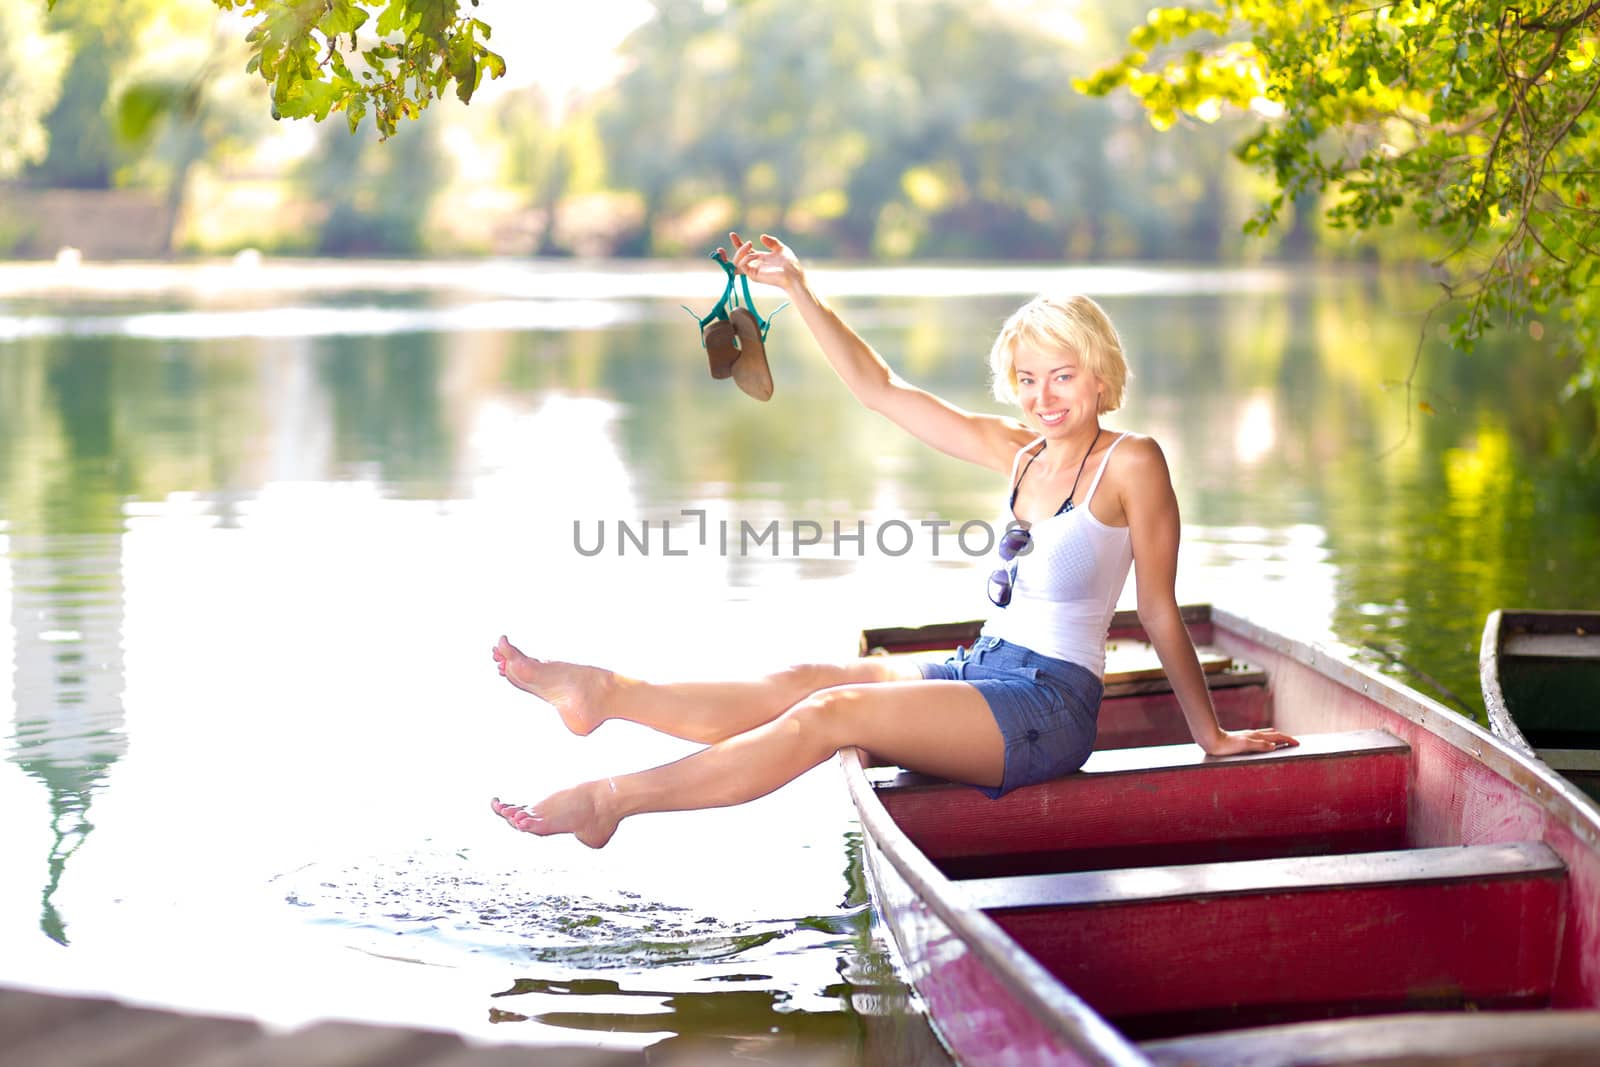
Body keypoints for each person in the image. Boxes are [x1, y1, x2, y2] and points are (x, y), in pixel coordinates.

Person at [490, 232, 1298, 848]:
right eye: (1026, 378)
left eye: (1060, 375)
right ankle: (606, 694)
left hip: (1048, 708)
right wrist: (800, 290)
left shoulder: (1133, 463)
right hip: (983, 666)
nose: (1043, 397)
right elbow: (881, 390)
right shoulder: (1018, 453)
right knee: (812, 678)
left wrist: (1212, 735)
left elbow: (1158, 612)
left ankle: (614, 800)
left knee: (833, 712)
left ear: (1098, 374)